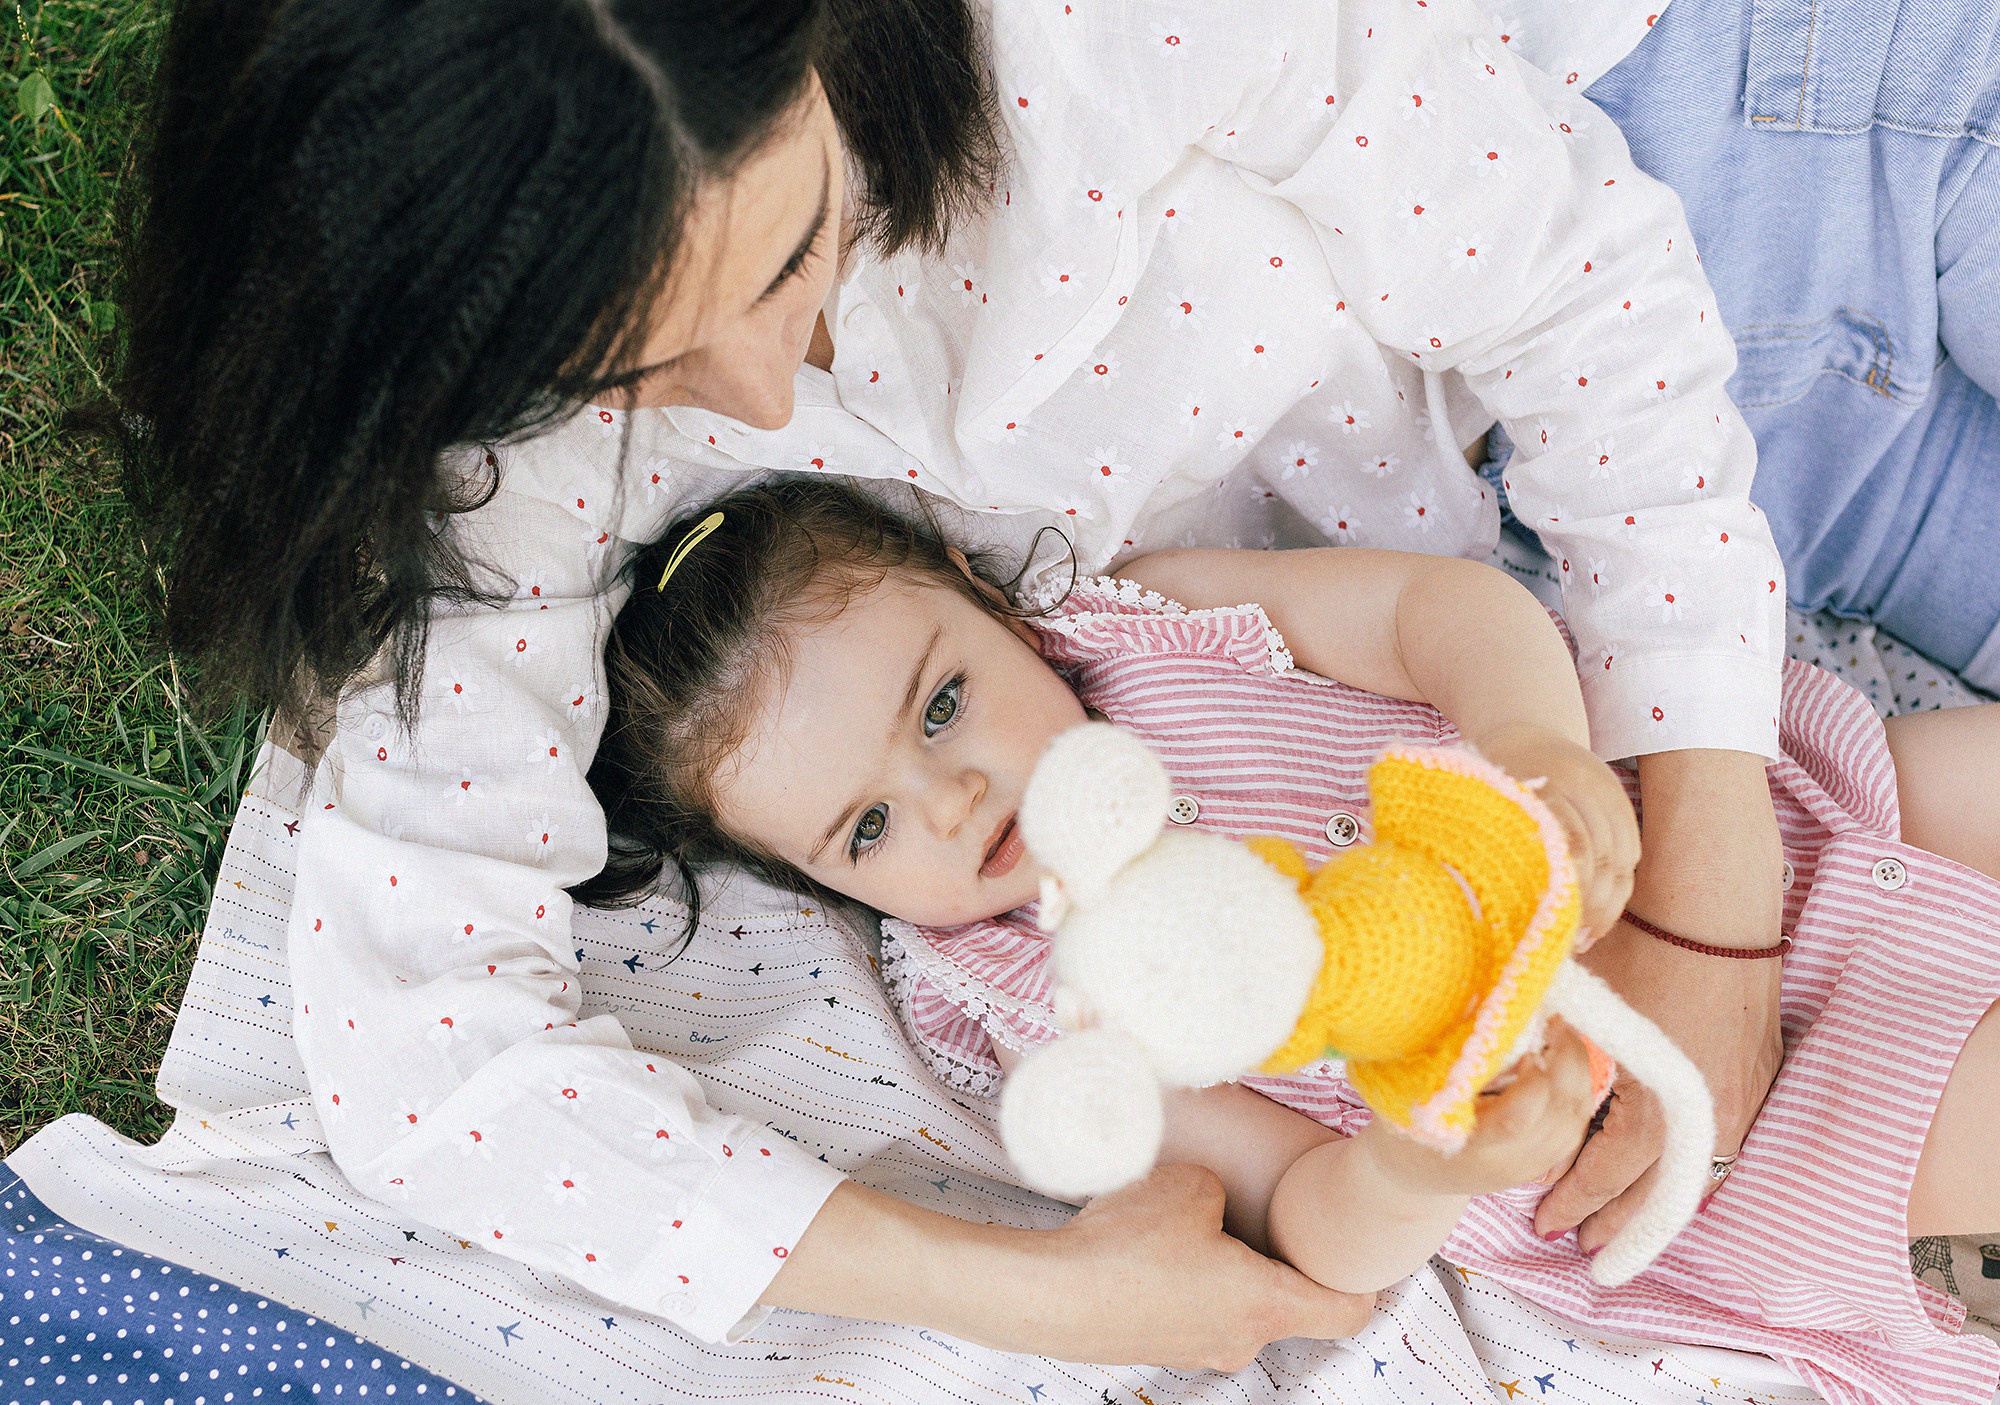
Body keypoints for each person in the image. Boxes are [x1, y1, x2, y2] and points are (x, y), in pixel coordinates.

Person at [116, 0, 1804, 1364]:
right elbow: (425, 1046)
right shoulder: (504, 436)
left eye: (789, 261)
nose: (764, 399)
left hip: (1732, 157)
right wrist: (1018, 1288)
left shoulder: (1096, 32)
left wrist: (1715, 906)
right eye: (628, 367)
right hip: (1553, 520)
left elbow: (1592, 293)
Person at [580, 478, 2000, 1402]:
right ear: (828, 884)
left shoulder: (1153, 617)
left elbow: (1432, 609)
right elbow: (1306, 1217)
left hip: (1749, 833)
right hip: (1657, 1121)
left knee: (1927, 772)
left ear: (993, 599)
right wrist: (1426, 1160)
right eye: (869, 833)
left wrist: (1529, 738)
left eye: (944, 703)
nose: (951, 801)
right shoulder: (1042, 1011)